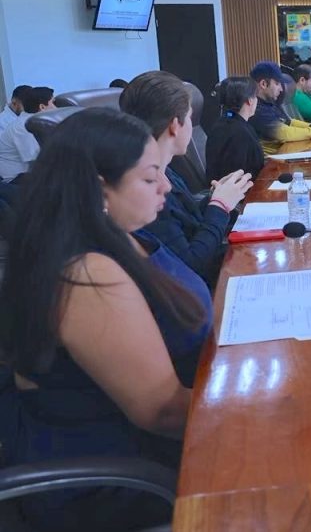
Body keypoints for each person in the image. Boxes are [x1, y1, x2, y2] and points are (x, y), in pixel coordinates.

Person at [0, 108, 212, 532]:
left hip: (180, 429)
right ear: (99, 189)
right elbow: (161, 412)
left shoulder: (123, 234)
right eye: (150, 178)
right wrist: (265, 409)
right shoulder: (86, 275)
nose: (167, 186)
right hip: (125, 478)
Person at [120, 71, 252, 287]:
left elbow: (186, 220)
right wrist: (219, 207)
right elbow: (190, 265)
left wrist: (217, 198)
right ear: (175, 125)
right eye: (190, 117)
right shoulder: (146, 192)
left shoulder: (167, 170)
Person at [249, 61, 311, 154]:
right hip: (269, 160)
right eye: (277, 84)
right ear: (263, 84)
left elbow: (288, 121)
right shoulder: (256, 108)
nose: (281, 89)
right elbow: (283, 133)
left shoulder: (269, 103)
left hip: (282, 154)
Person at [206, 76, 265, 183]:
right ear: (250, 100)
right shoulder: (239, 133)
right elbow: (237, 176)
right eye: (256, 96)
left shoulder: (225, 123)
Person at [0, 86, 55, 182]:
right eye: (53, 103)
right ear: (42, 107)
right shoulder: (23, 127)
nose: (56, 108)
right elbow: (35, 159)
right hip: (15, 178)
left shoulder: (34, 121)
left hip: (28, 171)